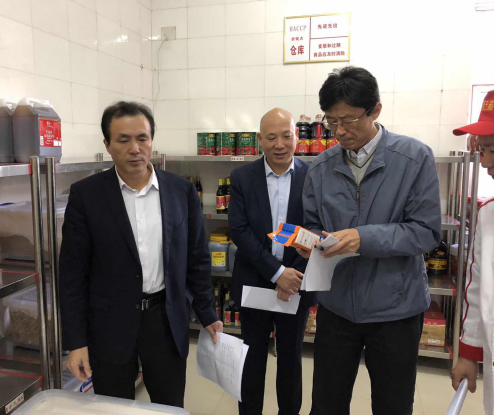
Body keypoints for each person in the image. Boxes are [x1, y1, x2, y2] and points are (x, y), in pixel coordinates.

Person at [298, 67, 442, 415]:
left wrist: (362, 238)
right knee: (326, 404)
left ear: (375, 110)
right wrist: (311, 243)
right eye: (332, 121)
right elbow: (313, 223)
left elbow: (425, 231)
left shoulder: (414, 158)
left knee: (392, 405)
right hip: (336, 307)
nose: (339, 131)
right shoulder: (320, 167)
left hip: (395, 309)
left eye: (349, 120)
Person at [59, 101, 222, 406]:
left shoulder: (180, 191)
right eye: (123, 140)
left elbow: (197, 258)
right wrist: (76, 342)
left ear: (151, 141)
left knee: (168, 404)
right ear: (107, 145)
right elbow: (72, 274)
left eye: (142, 138)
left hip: (165, 317)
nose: (135, 148)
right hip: (109, 322)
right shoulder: (86, 195)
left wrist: (207, 312)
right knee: (113, 406)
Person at [228, 108, 315, 415]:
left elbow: (316, 229)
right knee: (251, 360)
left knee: (290, 359)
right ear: (260, 139)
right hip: (255, 282)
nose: (279, 144)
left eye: (286, 136)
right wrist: (277, 273)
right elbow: (239, 230)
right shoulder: (242, 177)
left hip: (297, 285)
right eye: (271, 137)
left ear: (296, 137)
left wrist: (292, 277)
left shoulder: (313, 176)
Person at [451, 87, 494, 415]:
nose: (484, 161)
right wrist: (469, 353)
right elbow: (478, 290)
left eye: (492, 150)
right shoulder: (491, 211)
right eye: (481, 150)